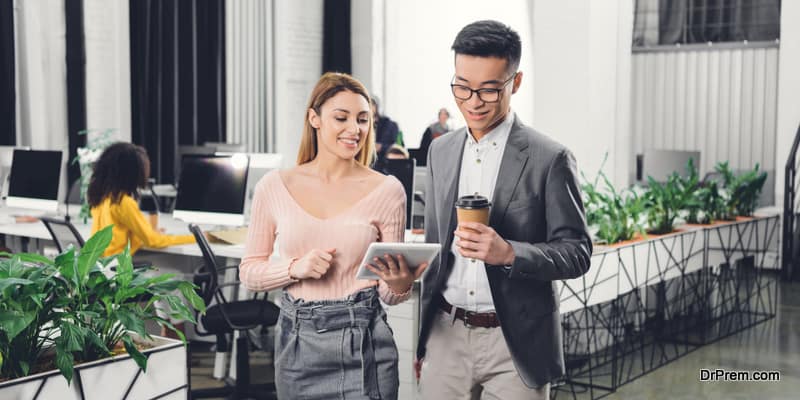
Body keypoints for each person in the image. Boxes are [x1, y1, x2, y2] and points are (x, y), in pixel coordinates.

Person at [416, 20, 592, 399]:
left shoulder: (550, 158)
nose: (473, 101)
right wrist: (421, 339)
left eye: (489, 90)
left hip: (515, 343)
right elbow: (434, 247)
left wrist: (510, 253)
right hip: (445, 334)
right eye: (462, 87)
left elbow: (577, 252)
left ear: (516, 82)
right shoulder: (440, 151)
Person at [239, 72, 428, 399]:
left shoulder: (387, 191)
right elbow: (249, 273)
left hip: (364, 340)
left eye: (363, 120)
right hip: (297, 344)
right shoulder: (274, 186)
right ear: (314, 118)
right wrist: (293, 269)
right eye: (341, 118)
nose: (354, 129)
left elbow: (389, 294)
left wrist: (400, 284)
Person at [88, 142, 195, 257]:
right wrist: (197, 237)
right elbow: (153, 241)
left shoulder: (102, 196)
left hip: (98, 266)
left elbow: (119, 233)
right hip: (115, 268)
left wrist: (148, 233)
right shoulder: (123, 202)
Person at [370, 95, 402, 162]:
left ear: (377, 106)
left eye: (372, 104)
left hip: (386, 161)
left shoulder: (390, 125)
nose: (369, 107)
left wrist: (381, 147)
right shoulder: (360, 124)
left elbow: (399, 146)